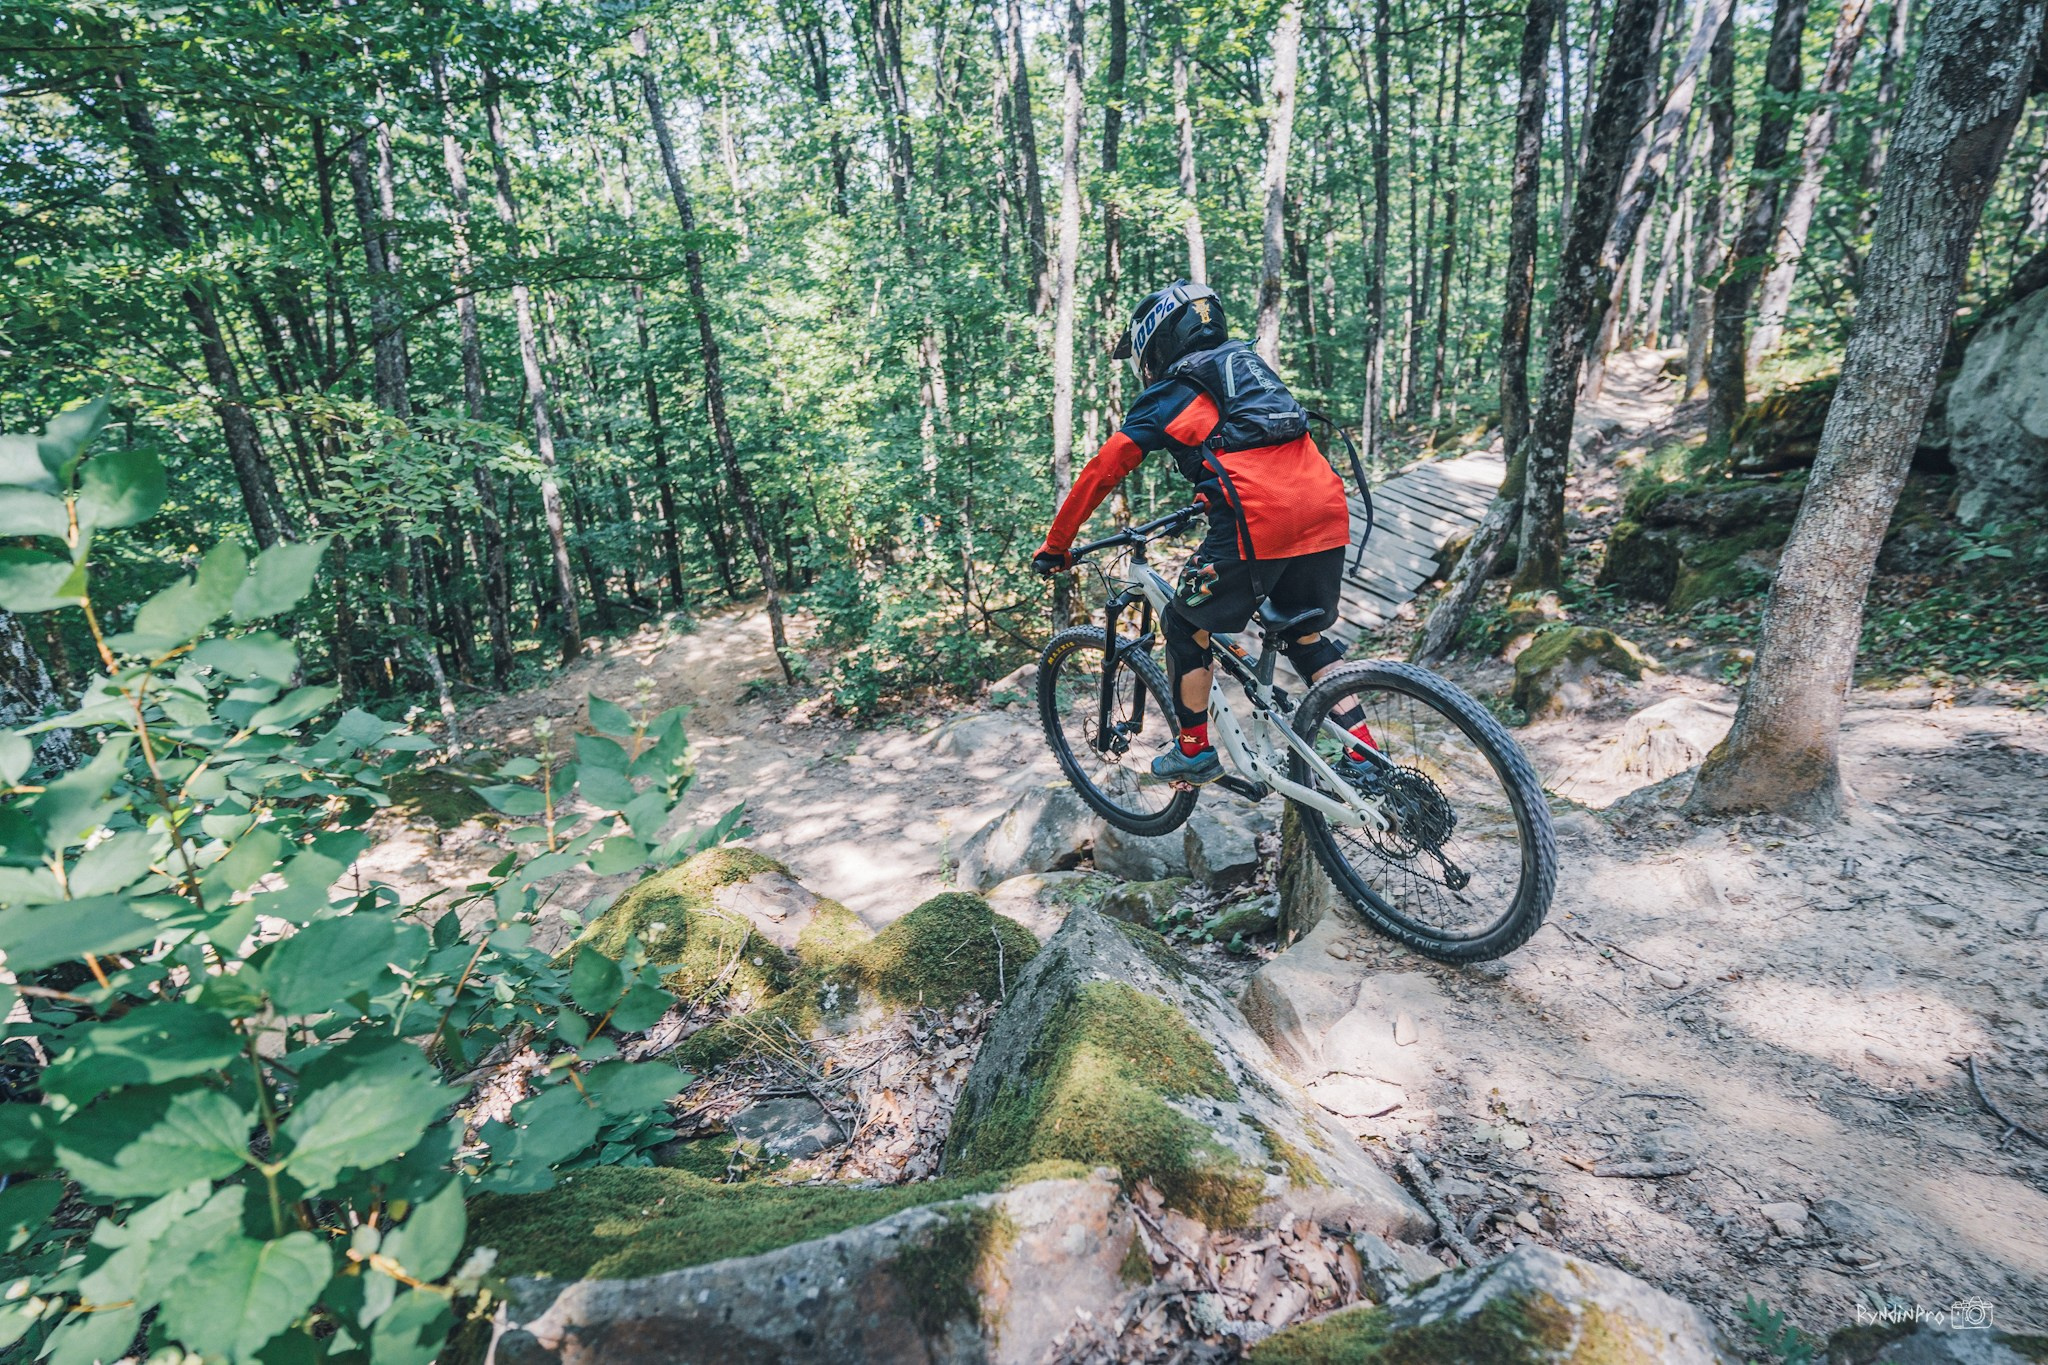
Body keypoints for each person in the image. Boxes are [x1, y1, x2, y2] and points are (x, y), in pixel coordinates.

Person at [1032, 280, 1376, 784]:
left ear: (1156, 341)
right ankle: (1364, 754)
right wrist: (1206, 495)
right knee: (1304, 634)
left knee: (1181, 625)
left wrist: (1057, 545)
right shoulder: (1246, 369)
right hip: (1325, 507)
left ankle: (1193, 751)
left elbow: (1103, 469)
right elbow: (1249, 447)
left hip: (1257, 521)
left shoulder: (1167, 393)